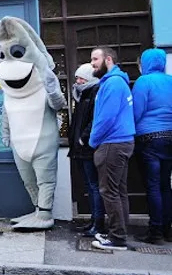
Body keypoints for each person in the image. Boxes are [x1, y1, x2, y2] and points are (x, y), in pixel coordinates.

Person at [89, 47, 136, 251]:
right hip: (121, 142)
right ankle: (120, 233)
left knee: (108, 191)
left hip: (112, 143)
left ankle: (117, 237)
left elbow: (106, 118)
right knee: (118, 191)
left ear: (108, 60)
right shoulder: (117, 82)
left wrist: (93, 140)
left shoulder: (113, 83)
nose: (92, 63)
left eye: (95, 59)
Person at [131, 48, 172, 244]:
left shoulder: (143, 82)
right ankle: (168, 229)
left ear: (145, 64)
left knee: (153, 186)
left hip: (149, 138)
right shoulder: (170, 81)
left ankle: (155, 232)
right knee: (166, 185)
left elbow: (136, 112)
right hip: (170, 137)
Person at [67, 63, 104, 237]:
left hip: (87, 148)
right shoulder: (83, 94)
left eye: (81, 78)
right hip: (81, 148)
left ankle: (98, 223)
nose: (78, 81)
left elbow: (94, 120)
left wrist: (83, 138)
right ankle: (93, 220)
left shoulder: (94, 92)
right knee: (90, 186)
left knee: (94, 185)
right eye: (77, 78)